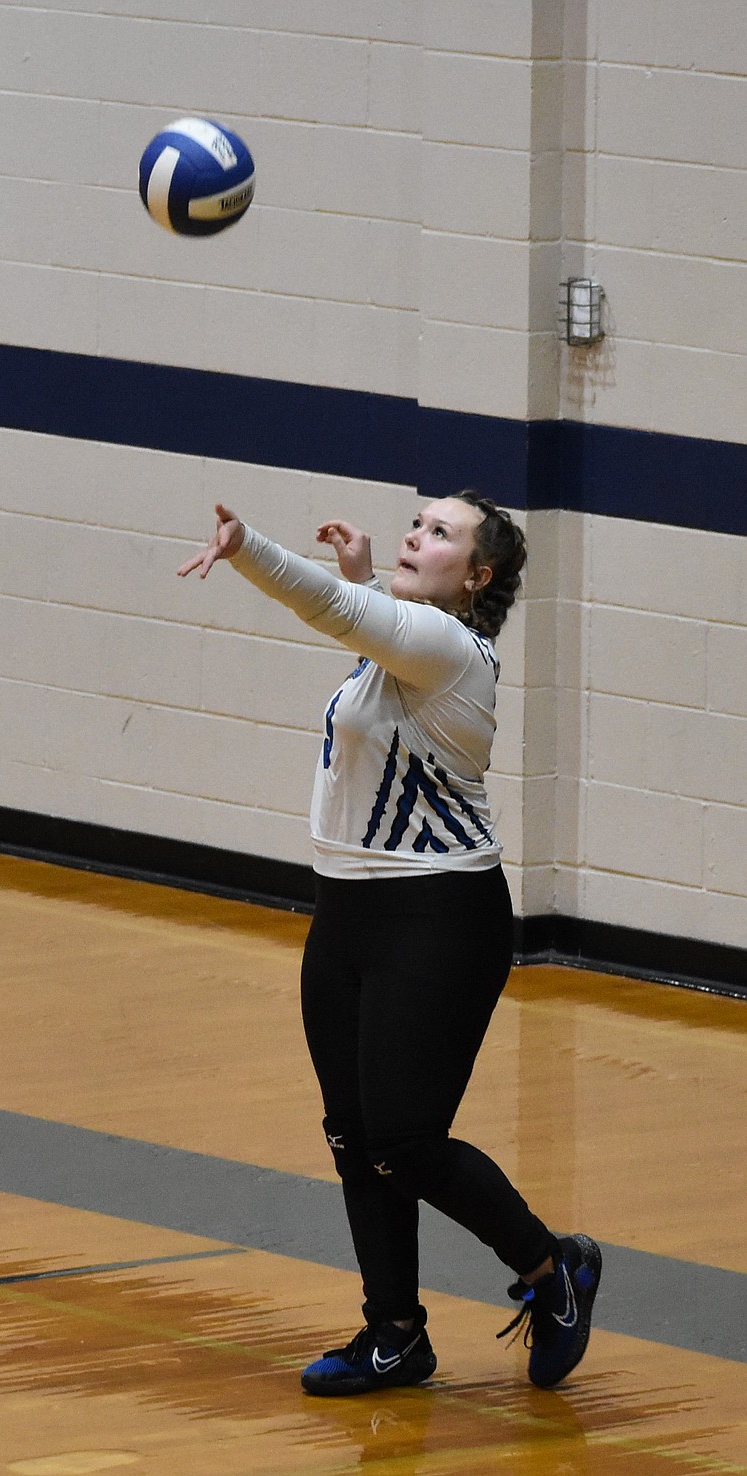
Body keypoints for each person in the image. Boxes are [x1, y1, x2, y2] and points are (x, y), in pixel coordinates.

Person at [178, 493, 601, 1395]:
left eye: (441, 533)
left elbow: (341, 614)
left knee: (405, 1137)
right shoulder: (405, 649)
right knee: (353, 1134)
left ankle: (549, 1265)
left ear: (478, 575)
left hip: (437, 920)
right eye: (418, 523)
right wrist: (371, 578)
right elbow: (375, 638)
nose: (420, 535)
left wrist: (249, 548)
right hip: (347, 914)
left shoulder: (455, 651)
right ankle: (394, 1335)